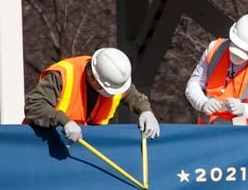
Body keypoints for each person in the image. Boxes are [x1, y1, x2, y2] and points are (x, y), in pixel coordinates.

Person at [24, 48, 160, 142]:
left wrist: (146, 111)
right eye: (106, 89)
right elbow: (33, 106)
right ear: (92, 76)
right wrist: (63, 121)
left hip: (81, 151)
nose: (110, 95)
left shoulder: (113, 80)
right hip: (41, 145)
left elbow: (133, 96)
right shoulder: (63, 75)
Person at [185, 13, 248, 125]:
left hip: (242, 138)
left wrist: (244, 109)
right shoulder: (215, 48)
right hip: (206, 134)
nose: (239, 54)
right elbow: (194, 84)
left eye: (246, 50)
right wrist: (203, 103)